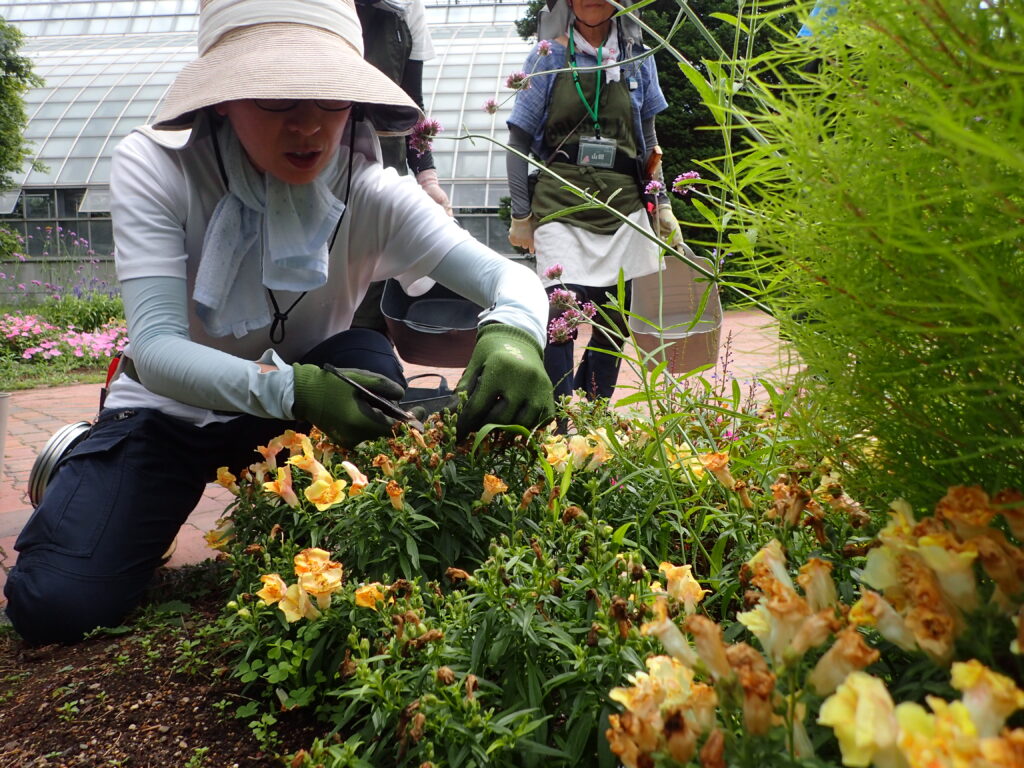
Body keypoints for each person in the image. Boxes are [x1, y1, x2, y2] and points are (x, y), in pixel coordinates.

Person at [4, 0, 554, 645]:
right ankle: (89, 462)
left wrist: (516, 330)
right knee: (56, 605)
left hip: (309, 411)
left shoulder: (370, 188)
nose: (308, 128)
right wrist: (292, 386)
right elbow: (155, 348)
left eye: (332, 100)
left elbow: (509, 278)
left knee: (366, 383)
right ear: (220, 101)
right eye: (274, 100)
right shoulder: (157, 167)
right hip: (169, 410)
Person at [505, 0, 679, 402]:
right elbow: (516, 142)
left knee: (615, 325)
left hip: (625, 211)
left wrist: (663, 204)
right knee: (560, 322)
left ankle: (592, 421)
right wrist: (521, 213)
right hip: (561, 206)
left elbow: (649, 142)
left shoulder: (638, 57)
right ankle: (558, 425)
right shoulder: (548, 55)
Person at [350, 0, 451, 336]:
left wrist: (427, 179)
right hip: (314, 168)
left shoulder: (407, 6)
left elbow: (411, 103)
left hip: (382, 173)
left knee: (371, 311)